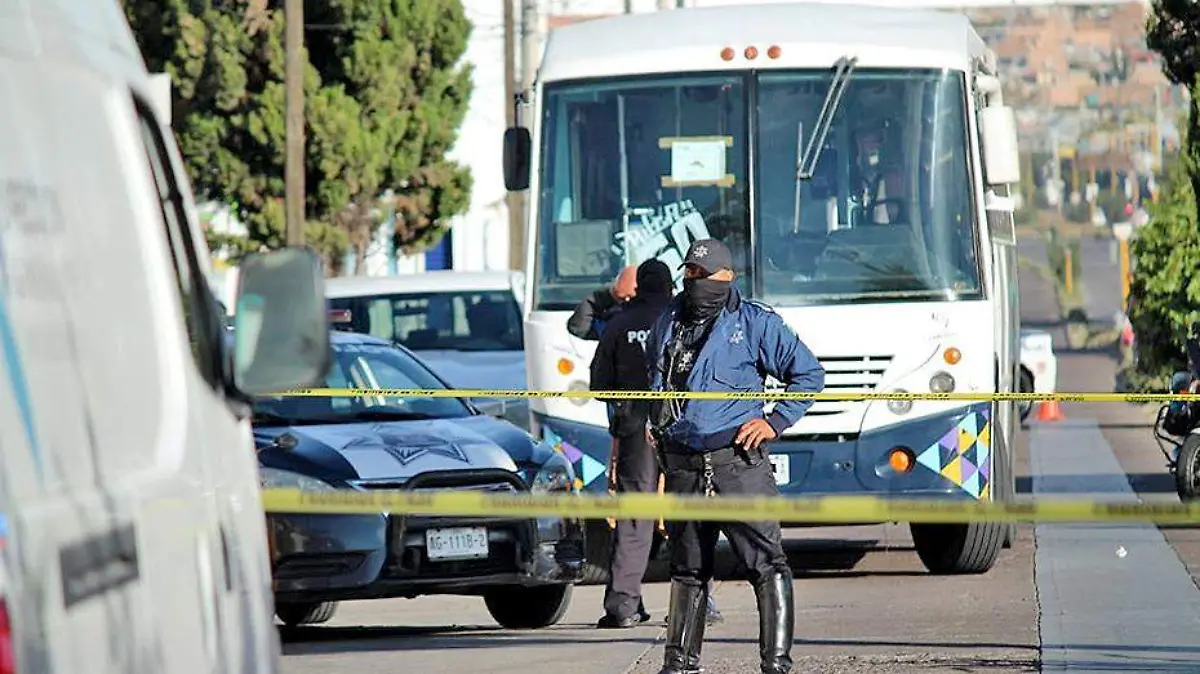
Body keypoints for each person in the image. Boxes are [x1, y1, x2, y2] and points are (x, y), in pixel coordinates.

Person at [645, 238, 825, 674]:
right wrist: (657, 426)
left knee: (765, 563)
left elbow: (809, 375)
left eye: (705, 275)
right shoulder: (668, 317)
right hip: (684, 464)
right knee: (688, 568)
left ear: (728, 278)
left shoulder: (754, 322)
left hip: (737, 464)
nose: (695, 282)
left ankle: (776, 663)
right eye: (690, 273)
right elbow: (656, 378)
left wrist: (774, 422)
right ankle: (680, 664)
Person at [590, 259, 674, 628]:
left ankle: (623, 604)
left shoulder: (619, 323)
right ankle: (700, 601)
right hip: (682, 424)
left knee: (635, 515)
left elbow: (599, 386)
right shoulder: (682, 319)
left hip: (635, 426)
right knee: (688, 511)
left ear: (637, 286)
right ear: (670, 286)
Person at [567, 265, 638, 340]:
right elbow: (579, 328)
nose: (627, 301)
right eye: (622, 298)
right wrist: (597, 298)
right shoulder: (608, 317)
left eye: (631, 298)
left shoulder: (646, 318)